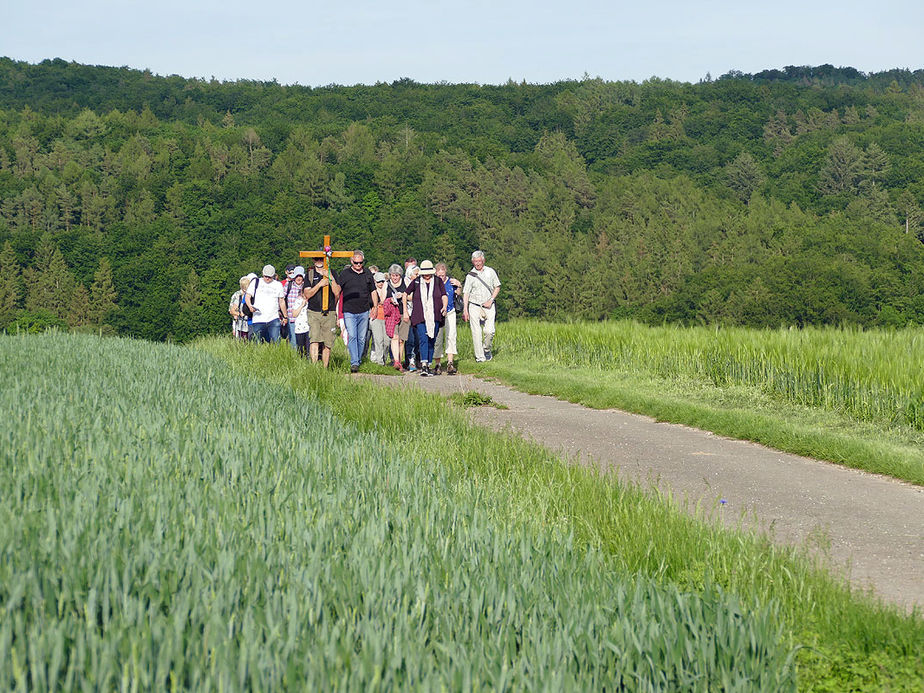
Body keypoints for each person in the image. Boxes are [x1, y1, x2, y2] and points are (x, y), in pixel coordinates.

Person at [336, 250, 378, 373]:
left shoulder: (367, 273)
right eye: (356, 263)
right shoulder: (345, 274)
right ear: (351, 261)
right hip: (349, 310)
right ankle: (354, 362)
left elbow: (373, 291)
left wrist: (374, 306)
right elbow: (338, 290)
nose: (358, 265)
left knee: (362, 338)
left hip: (364, 310)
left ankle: (358, 360)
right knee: (352, 336)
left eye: (361, 263)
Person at [407, 260, 447, 377]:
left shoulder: (438, 281)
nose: (427, 275)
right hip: (420, 314)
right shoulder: (417, 282)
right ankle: (424, 364)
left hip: (435, 314)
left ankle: (429, 364)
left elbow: (444, 295)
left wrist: (444, 306)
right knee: (423, 338)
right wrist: (405, 310)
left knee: (432, 339)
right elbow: (406, 293)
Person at [462, 250, 501, 362]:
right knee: (476, 332)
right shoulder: (470, 275)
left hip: (489, 304)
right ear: (472, 262)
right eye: (475, 261)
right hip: (474, 305)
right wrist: (465, 309)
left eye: (479, 261)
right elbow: (466, 293)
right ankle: (480, 357)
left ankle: (486, 349)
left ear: (483, 260)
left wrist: (491, 300)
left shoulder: (490, 272)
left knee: (489, 331)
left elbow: (497, 286)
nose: (478, 263)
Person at [304, 256, 341, 368]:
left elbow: (337, 292)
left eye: (321, 259)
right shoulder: (310, 275)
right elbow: (307, 294)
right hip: (314, 312)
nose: (319, 261)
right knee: (314, 340)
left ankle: (325, 368)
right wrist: (319, 284)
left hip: (329, 312)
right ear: (313, 260)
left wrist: (330, 278)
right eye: (316, 259)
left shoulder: (333, 273)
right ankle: (314, 367)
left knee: (327, 343)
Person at [246, 264, 287, 343]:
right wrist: (250, 306)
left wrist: (285, 316)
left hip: (273, 318)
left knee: (276, 343)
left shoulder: (278, 285)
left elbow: (281, 301)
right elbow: (248, 296)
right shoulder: (256, 282)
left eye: (270, 277)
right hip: (258, 318)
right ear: (262, 274)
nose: (267, 278)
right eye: (266, 276)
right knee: (257, 343)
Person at [433, 262, 461, 374]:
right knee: (437, 339)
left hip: (450, 311)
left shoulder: (451, 282)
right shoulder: (433, 283)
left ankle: (450, 362)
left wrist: (459, 285)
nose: (441, 277)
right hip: (437, 313)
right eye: (439, 275)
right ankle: (437, 363)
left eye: (443, 275)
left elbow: (458, 294)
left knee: (451, 336)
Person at [384, 264, 407, 371]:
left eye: (397, 275)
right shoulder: (386, 285)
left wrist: (403, 296)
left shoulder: (405, 283)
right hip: (392, 314)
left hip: (403, 312)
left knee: (401, 340)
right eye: (393, 275)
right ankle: (396, 361)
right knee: (394, 337)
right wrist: (390, 300)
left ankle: (399, 361)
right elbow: (382, 299)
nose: (395, 277)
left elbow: (412, 296)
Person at [403, 260, 420, 371]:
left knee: (418, 337)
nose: (418, 276)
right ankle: (410, 359)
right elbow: (407, 296)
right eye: (416, 274)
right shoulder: (405, 282)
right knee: (409, 338)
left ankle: (418, 358)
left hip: (418, 313)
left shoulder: (419, 283)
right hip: (408, 313)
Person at [369, 271, 389, 365]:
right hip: (376, 317)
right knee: (378, 340)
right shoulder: (372, 292)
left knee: (387, 341)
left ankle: (384, 359)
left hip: (387, 318)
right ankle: (379, 362)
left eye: (382, 281)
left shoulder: (387, 290)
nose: (380, 283)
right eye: (378, 282)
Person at [290, 281, 311, 358]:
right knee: (300, 349)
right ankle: (301, 361)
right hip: (299, 328)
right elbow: (294, 314)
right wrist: (302, 305)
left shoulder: (311, 302)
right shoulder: (298, 301)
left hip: (309, 327)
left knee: (308, 348)